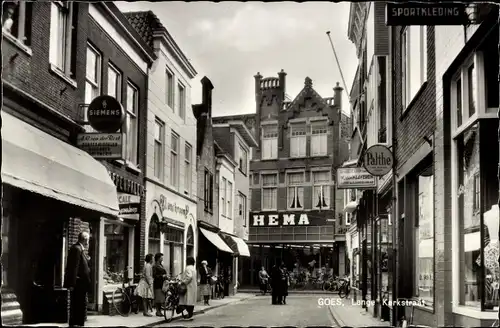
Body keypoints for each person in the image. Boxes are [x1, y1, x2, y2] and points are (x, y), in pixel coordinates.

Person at [64, 232, 91, 327]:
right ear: (85, 239)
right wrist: (72, 284)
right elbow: (73, 268)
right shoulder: (77, 249)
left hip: (80, 284)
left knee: (80, 304)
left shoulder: (79, 249)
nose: (89, 241)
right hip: (78, 284)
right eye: (88, 239)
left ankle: (78, 323)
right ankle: (77, 323)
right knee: (78, 304)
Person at [178, 256, 197, 320]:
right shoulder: (193, 268)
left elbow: (189, 276)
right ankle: (190, 313)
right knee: (191, 301)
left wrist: (183, 282)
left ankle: (183, 309)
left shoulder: (188, 268)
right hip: (193, 287)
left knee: (186, 300)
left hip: (189, 287)